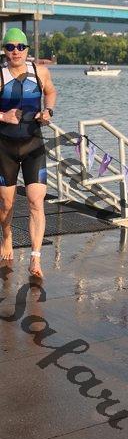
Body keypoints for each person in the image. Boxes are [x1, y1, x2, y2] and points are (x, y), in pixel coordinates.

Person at [0, 27, 57, 278]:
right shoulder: (0, 75)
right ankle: (7, 236)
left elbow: (51, 91)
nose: (16, 51)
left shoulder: (40, 71)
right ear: (4, 50)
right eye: (10, 47)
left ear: (27, 50)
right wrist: (3, 116)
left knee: (36, 201)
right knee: (6, 204)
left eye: (20, 47)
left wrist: (48, 111)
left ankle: (35, 257)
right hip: (5, 148)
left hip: (34, 144)